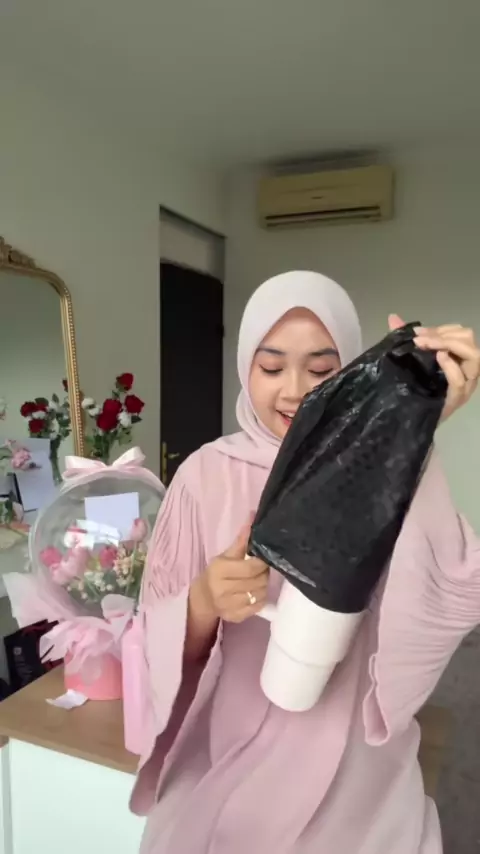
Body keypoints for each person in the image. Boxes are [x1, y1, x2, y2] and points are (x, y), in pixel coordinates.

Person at [131, 271, 480, 854]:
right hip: (231, 743)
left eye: (322, 371)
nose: (294, 391)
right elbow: (151, 637)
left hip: (352, 755)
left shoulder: (382, 464)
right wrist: (204, 600)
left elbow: (446, 593)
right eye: (271, 368)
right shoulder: (205, 475)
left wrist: (409, 427)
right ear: (245, 367)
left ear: (353, 370)